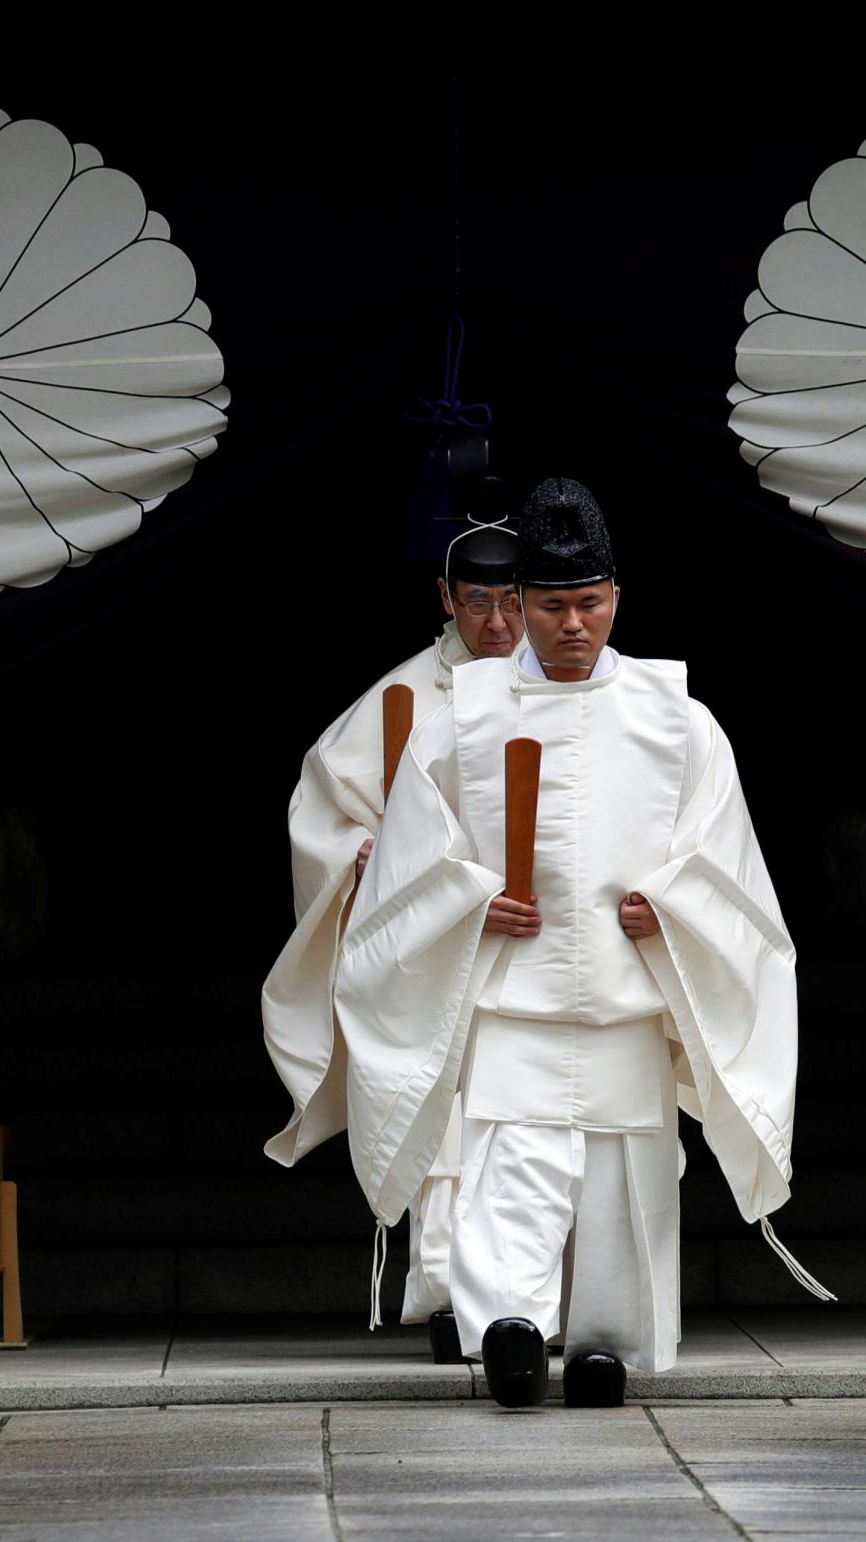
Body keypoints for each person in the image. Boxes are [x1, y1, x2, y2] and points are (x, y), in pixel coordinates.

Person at [337, 478, 813, 1409]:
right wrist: (473, 902)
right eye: (551, 606)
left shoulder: (679, 720)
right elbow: (408, 860)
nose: (571, 625)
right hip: (514, 998)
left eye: (588, 604)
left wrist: (669, 911)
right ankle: (511, 1326)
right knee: (511, 1164)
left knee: (618, 1179)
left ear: (615, 601)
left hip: (627, 997)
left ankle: (603, 1343)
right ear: (519, 607)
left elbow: (727, 866)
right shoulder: (466, 714)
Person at [262, 493, 524, 1358]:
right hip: (441, 948)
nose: (498, 619)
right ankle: (454, 1301)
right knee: (446, 1119)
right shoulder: (405, 696)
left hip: (530, 942)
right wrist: (362, 858)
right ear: (445, 598)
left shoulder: (567, 686)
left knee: (532, 1122)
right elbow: (326, 810)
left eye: (514, 598)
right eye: (479, 601)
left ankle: (536, 1300)